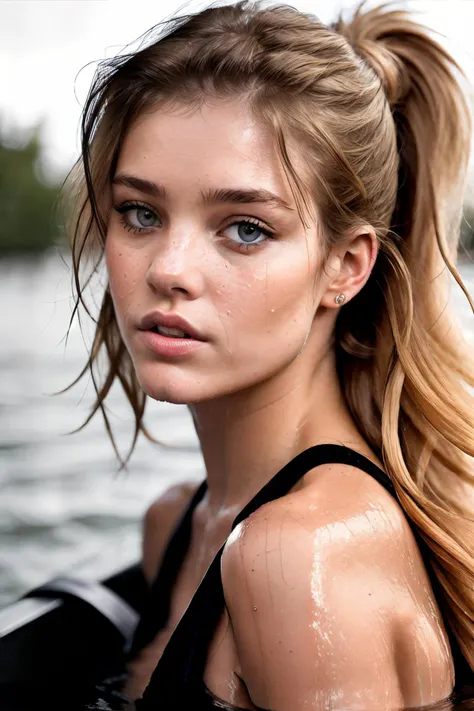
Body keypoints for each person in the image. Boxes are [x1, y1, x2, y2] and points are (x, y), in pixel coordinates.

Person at [60, 0, 474, 708]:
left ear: (346, 265)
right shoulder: (177, 525)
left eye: (245, 229)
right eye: (141, 213)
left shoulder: (296, 554)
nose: (170, 268)